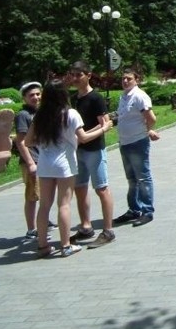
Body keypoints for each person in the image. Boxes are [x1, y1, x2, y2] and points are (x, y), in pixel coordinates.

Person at [25, 80, 112, 257]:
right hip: (64, 163)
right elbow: (84, 137)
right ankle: (65, 245)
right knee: (64, 204)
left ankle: (43, 245)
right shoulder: (70, 113)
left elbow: (28, 141)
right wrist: (104, 128)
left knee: (44, 206)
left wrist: (44, 142)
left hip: (45, 164)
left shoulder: (40, 115)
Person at [66, 61, 116, 249]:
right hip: (77, 150)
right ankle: (86, 226)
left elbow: (105, 123)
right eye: (73, 74)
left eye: (79, 75)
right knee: (80, 188)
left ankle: (108, 230)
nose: (75, 78)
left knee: (101, 188)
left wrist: (85, 136)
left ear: (88, 75)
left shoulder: (96, 98)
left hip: (94, 149)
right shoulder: (74, 98)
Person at [114, 68, 159, 227]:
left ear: (136, 80)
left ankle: (147, 211)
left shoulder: (139, 96)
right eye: (123, 78)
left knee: (143, 177)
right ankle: (134, 209)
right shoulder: (124, 96)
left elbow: (151, 118)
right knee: (132, 179)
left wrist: (147, 131)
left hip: (138, 142)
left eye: (129, 79)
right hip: (124, 143)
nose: (125, 81)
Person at [12, 81, 56, 240]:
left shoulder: (40, 112)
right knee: (32, 196)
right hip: (32, 161)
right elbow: (21, 142)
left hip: (43, 159)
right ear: (24, 98)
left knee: (43, 194)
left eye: (38, 94)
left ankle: (43, 220)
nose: (36, 98)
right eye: (31, 95)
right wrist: (30, 163)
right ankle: (31, 229)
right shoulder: (23, 115)